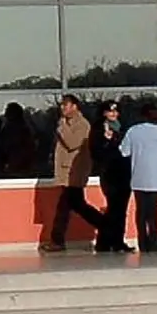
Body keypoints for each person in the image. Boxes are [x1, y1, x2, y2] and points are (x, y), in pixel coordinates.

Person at [42, 94, 103, 252]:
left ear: (75, 106)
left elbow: (72, 143)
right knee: (77, 205)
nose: (62, 108)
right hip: (67, 173)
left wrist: (62, 126)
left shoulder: (82, 124)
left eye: (66, 105)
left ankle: (57, 240)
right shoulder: (65, 123)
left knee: (66, 207)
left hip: (75, 173)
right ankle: (107, 226)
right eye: (62, 105)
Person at [120, 102, 157, 254]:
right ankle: (154, 242)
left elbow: (124, 151)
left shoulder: (133, 131)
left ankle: (143, 242)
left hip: (138, 176)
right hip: (155, 177)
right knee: (152, 211)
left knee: (141, 211)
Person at [92, 100, 134, 253]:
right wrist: (106, 140)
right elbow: (95, 152)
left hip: (124, 172)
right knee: (113, 208)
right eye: (110, 111)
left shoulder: (123, 128)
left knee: (121, 209)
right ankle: (104, 242)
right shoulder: (98, 129)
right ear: (104, 113)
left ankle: (118, 241)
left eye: (115, 111)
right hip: (109, 172)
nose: (113, 114)